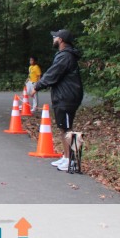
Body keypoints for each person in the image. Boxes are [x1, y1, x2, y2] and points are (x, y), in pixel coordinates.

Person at [27, 29, 83, 172]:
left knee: (67, 129)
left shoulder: (65, 56)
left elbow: (53, 73)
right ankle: (66, 157)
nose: (53, 39)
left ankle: (73, 161)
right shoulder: (65, 55)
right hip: (63, 96)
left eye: (55, 37)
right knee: (63, 127)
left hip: (67, 97)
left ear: (61, 40)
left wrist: (37, 86)